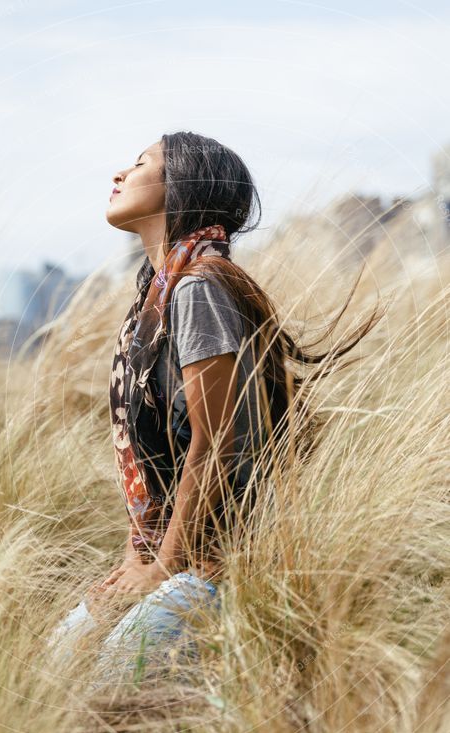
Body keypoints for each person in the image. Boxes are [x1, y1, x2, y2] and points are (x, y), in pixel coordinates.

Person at [47, 131, 382, 684]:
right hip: (174, 550)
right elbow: (166, 464)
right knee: (54, 672)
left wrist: (163, 568)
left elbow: (219, 443)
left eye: (140, 163)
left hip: (221, 564)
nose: (119, 175)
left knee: (108, 683)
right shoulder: (155, 294)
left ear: (182, 185)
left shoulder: (196, 288)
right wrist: (138, 560)